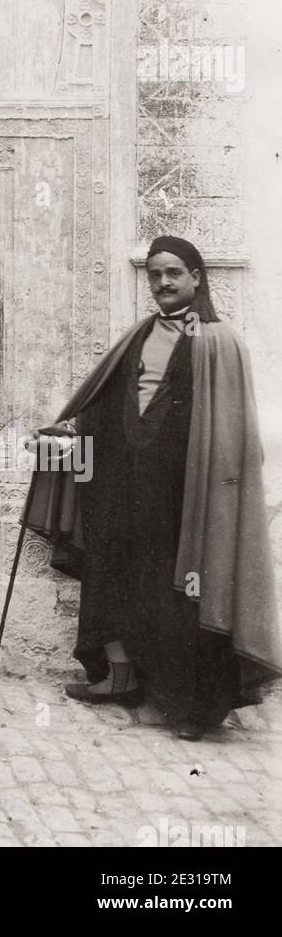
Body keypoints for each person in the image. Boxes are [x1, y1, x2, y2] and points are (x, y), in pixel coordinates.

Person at [23, 235, 282, 741]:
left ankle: (194, 708)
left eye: (173, 274)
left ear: (196, 277)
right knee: (112, 569)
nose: (163, 283)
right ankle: (119, 678)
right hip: (123, 484)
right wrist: (71, 433)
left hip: (185, 495)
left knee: (184, 589)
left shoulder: (220, 342)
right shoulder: (139, 336)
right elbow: (106, 404)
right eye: (154, 275)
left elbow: (230, 436)